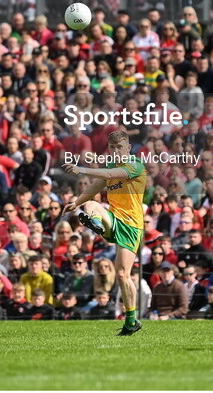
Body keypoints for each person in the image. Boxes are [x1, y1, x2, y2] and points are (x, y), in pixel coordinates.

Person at [63, 130, 146, 336]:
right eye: (113, 147)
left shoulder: (135, 166)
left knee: (122, 275)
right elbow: (95, 187)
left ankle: (131, 321)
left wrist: (81, 169)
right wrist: (75, 203)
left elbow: (108, 175)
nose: (116, 151)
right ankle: (97, 224)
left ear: (128, 148)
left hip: (132, 226)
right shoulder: (110, 165)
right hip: (114, 218)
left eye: (120, 147)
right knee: (90, 203)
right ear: (109, 149)